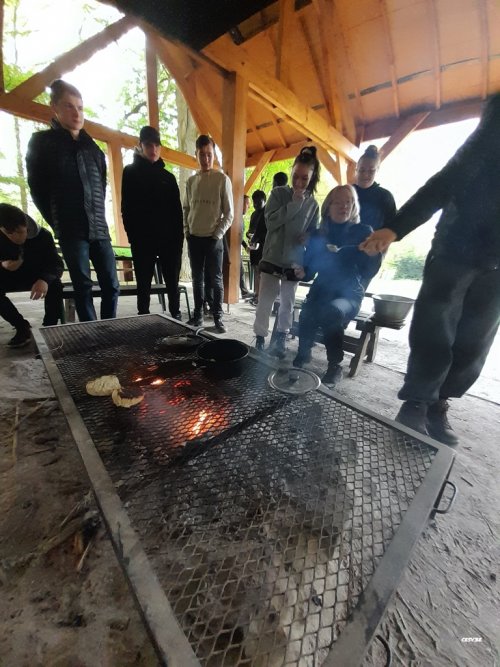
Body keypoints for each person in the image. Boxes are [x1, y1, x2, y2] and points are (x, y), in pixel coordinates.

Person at [360, 92, 500, 446]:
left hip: (496, 264)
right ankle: (416, 404)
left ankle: (439, 402)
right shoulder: (494, 128)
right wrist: (395, 228)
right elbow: (445, 182)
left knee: (475, 341)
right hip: (455, 247)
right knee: (434, 329)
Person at [26, 79, 119, 322]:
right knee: (83, 286)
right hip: (70, 230)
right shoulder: (42, 143)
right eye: (69, 106)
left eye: (80, 107)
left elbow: (102, 186)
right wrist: (59, 221)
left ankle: (109, 330)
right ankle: (91, 334)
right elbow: (37, 190)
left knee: (111, 284)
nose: (76, 113)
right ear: (54, 107)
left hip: (99, 229)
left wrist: (98, 217)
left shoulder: (94, 150)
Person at [292, 186, 381, 386]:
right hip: (321, 290)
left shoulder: (363, 232)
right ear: (328, 207)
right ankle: (303, 354)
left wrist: (374, 253)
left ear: (354, 205)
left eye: (349, 201)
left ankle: (335, 366)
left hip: (349, 294)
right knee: (307, 311)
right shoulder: (318, 235)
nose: (344, 206)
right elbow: (309, 271)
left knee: (331, 312)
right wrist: (302, 272)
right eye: (339, 202)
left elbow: (369, 271)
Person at [253, 146, 321, 357]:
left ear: (312, 177)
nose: (299, 183)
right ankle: (260, 338)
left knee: (287, 304)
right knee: (265, 301)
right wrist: (293, 204)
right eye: (296, 177)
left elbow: (314, 234)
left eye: (304, 178)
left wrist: (309, 237)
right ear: (291, 172)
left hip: (293, 260)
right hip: (272, 257)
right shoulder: (277, 194)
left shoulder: (313, 204)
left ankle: (280, 339)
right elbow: (271, 223)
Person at [121, 126, 184, 318]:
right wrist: (133, 237)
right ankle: (144, 319)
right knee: (144, 285)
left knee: (172, 283)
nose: (154, 149)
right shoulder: (130, 173)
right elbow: (127, 208)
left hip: (168, 243)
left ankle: (176, 316)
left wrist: (178, 242)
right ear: (141, 146)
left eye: (157, 145)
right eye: (149, 145)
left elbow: (177, 213)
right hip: (143, 242)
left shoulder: (168, 178)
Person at [183, 135, 234, 333]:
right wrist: (187, 231)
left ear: (214, 155)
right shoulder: (191, 181)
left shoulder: (222, 179)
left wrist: (218, 234)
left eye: (209, 154)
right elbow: (186, 209)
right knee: (197, 279)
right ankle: (197, 315)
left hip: (214, 239)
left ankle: (218, 316)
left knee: (216, 279)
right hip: (194, 237)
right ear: (196, 155)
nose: (206, 159)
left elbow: (229, 213)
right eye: (202, 155)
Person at [0, 204, 63, 347]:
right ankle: (21, 327)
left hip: (36, 276)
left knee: (56, 285)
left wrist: (44, 279)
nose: (17, 237)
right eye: (10, 233)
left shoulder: (43, 236)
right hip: (8, 276)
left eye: (21, 231)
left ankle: (49, 327)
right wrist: (3, 264)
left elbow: (56, 264)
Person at [353, 145, 396, 232]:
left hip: (373, 244)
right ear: (356, 169)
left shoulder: (385, 197)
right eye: (362, 170)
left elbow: (392, 228)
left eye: (371, 171)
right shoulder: (346, 192)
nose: (365, 175)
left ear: (377, 170)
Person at [246, 190, 267, 305]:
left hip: (263, 247)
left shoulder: (267, 213)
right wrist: (249, 234)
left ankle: (260, 296)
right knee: (255, 271)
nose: (256, 205)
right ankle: (256, 294)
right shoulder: (254, 214)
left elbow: (266, 232)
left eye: (258, 202)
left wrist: (257, 237)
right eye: (254, 202)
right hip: (253, 246)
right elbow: (250, 230)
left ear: (264, 201)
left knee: (261, 273)